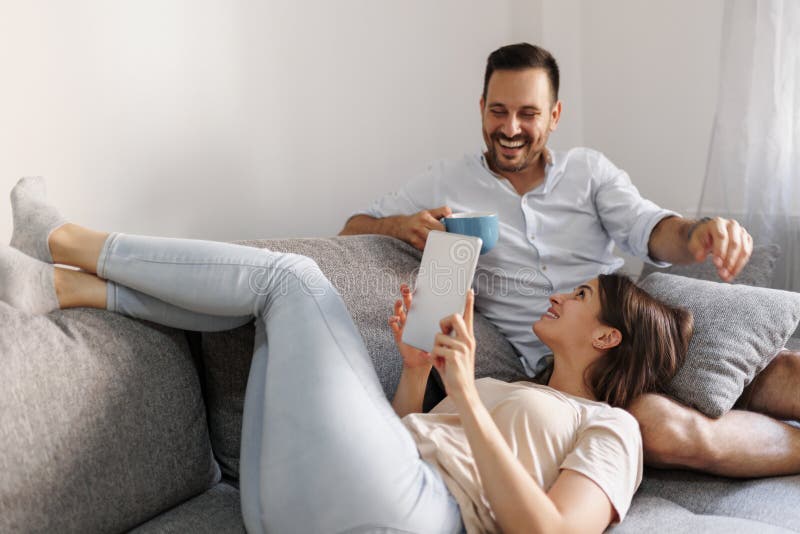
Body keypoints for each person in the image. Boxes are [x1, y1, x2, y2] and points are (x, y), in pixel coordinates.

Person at [1, 177, 692, 533]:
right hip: (300, 507)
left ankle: (61, 242)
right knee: (266, 308)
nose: (560, 297)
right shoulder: (515, 381)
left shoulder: (614, 429)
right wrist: (418, 369)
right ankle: (59, 288)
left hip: (417, 517)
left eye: (579, 295)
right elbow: (401, 441)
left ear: (608, 337)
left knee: (292, 279)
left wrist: (471, 396)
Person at [339, 42, 800, 478]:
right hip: (553, 369)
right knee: (659, 428)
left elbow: (653, 229)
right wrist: (397, 226)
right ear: (481, 107)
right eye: (498, 110)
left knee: (773, 366)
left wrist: (699, 232)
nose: (511, 128)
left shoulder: (588, 172)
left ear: (555, 116)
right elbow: (352, 227)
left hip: (624, 330)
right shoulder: (445, 181)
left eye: (529, 113)